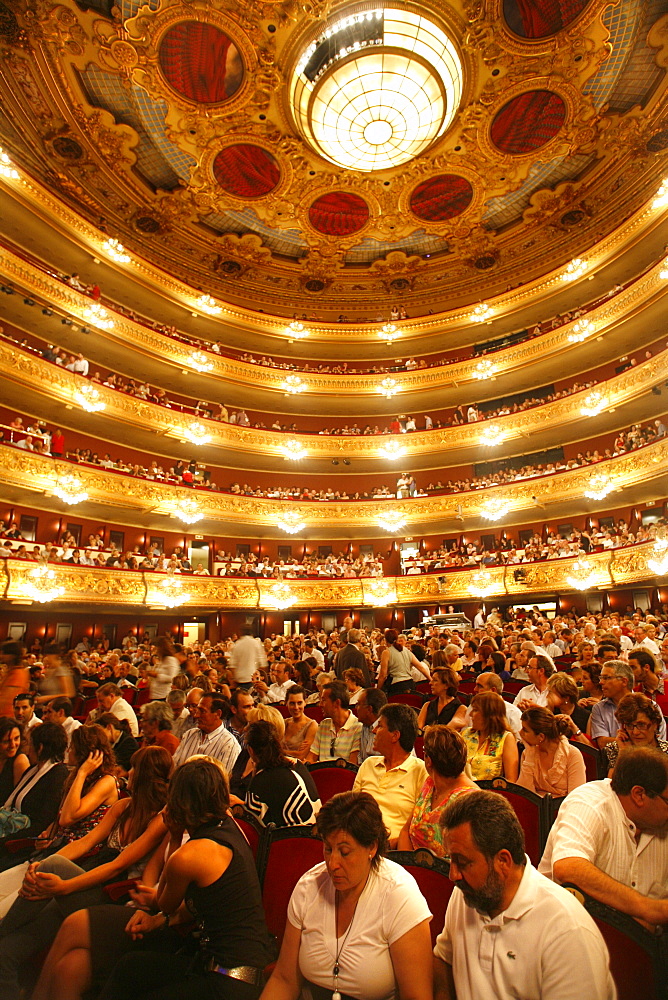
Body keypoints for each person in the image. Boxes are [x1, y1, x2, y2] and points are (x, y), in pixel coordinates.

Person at [54, 758, 275, 1000]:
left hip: (228, 980)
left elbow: (165, 903)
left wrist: (174, 836)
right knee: (130, 967)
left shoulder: (188, 856)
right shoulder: (229, 827)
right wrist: (157, 919)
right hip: (221, 962)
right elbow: (201, 903)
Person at [0, 746, 172, 1000]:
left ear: (146, 775)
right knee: (5, 952)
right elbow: (84, 843)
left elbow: (118, 865)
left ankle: (3, 927)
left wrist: (64, 886)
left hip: (111, 897)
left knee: (53, 867)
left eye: (135, 767)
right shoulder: (123, 806)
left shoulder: (161, 819)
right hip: (86, 884)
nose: (129, 772)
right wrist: (43, 864)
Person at [433, 790, 616, 1000]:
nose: (453, 875)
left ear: (503, 861)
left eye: (463, 863)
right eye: (451, 861)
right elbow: (444, 957)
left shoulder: (567, 930)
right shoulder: (466, 894)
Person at [261, 790, 433, 1000]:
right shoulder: (309, 887)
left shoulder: (399, 895)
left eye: (344, 852)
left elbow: (416, 996)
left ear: (371, 846)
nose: (333, 864)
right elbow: (285, 979)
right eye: (327, 849)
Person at [539, 747, 668, 925]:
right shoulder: (590, 803)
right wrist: (647, 908)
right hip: (565, 931)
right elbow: (568, 866)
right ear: (639, 795)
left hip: (645, 946)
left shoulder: (660, 821)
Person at [353, 704, 427, 846]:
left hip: (393, 850)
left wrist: (393, 843)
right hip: (358, 843)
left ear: (395, 735)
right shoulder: (368, 764)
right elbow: (352, 809)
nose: (373, 731)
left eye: (380, 726)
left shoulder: (420, 771)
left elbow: (420, 826)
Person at [397, 725, 476, 857]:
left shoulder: (469, 799)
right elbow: (406, 831)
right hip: (414, 868)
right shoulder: (429, 783)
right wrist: (407, 869)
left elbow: (468, 857)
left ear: (429, 760)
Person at [243, 720, 320, 827]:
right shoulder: (298, 765)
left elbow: (252, 827)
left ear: (251, 750)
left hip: (287, 841)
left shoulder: (260, 781)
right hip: (317, 837)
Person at [0, 724, 69, 842]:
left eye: (31, 744)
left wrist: (6, 840)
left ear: (40, 748)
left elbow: (42, 823)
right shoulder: (32, 770)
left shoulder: (58, 775)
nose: (28, 749)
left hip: (24, 841)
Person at [517, 707, 586, 798]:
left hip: (564, 809)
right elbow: (523, 796)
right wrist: (529, 757)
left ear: (541, 737)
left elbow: (576, 797)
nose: (520, 732)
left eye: (525, 730)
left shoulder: (572, 754)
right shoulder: (528, 753)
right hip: (535, 810)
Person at [172, 694, 240, 773]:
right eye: (198, 710)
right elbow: (174, 767)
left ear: (218, 714)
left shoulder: (229, 745)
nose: (196, 715)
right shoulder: (189, 735)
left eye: (202, 711)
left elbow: (222, 781)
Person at [603, 693, 668, 773]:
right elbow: (613, 783)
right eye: (629, 725)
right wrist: (624, 753)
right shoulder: (615, 749)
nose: (635, 732)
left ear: (655, 724)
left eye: (641, 725)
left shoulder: (666, 751)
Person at [460, 691, 518, 781]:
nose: (470, 715)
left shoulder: (506, 738)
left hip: (488, 793)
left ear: (489, 714)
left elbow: (511, 781)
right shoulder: (466, 734)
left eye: (475, 710)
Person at [308, 681, 362, 764]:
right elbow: (311, 758)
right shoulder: (323, 725)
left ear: (337, 703)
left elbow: (352, 765)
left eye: (324, 700)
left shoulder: (358, 728)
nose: (320, 704)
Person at [590, 660, 636, 749]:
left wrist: (618, 741)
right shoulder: (599, 708)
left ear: (624, 681)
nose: (601, 682)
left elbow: (657, 742)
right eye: (601, 678)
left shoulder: (649, 706)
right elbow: (602, 743)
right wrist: (635, 741)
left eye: (606, 678)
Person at [376, 629, 429, 694]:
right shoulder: (406, 650)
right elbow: (420, 667)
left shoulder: (386, 652)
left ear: (385, 640)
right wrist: (431, 680)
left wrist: (378, 690)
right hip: (410, 684)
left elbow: (383, 675)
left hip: (396, 686)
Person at [416, 667, 466, 732]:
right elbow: (418, 730)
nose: (430, 683)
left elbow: (449, 731)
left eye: (435, 680)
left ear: (447, 685)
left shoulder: (461, 708)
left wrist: (430, 729)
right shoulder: (427, 705)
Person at [283, 686, 318, 762]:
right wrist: (293, 752)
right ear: (286, 703)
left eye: (299, 703)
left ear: (305, 702)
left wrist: (280, 751)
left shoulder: (312, 725)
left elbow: (301, 755)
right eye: (292, 703)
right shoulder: (284, 723)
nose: (296, 707)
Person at [229, 624, 267, 689]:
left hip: (239, 679)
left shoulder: (238, 644)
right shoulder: (256, 643)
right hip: (252, 678)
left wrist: (234, 679)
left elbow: (232, 665)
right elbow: (263, 663)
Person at [0, 718, 29, 802]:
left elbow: (19, 800)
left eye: (16, 738)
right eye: (6, 741)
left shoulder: (20, 761)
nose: (13, 745)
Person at [356, 688, 388, 762]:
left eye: (358, 704)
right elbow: (360, 759)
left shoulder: (389, 729)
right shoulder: (363, 726)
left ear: (369, 709)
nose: (356, 708)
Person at [146, 637, 180, 701]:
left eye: (155, 648)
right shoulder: (161, 660)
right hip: (155, 694)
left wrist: (156, 675)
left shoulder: (170, 660)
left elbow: (172, 678)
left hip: (163, 695)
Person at [0, 642, 28, 719]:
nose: (1, 656)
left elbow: (6, 701)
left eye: (4, 654)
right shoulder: (11, 672)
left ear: (12, 656)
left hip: (6, 718)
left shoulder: (18, 674)